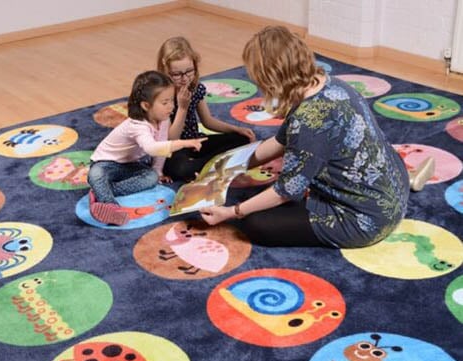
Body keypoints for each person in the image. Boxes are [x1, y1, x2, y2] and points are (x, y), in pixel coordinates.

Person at [200, 26, 410, 248]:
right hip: (394, 190)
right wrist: (224, 168)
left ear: (271, 79)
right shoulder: (330, 84)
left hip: (364, 220)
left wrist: (233, 212)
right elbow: (280, 142)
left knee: (256, 223)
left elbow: (286, 191)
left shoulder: (308, 123)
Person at [88, 70, 206, 226]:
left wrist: (158, 172)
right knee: (96, 173)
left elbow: (162, 144)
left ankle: (101, 191)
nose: (171, 106)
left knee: (151, 177)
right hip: (105, 164)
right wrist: (184, 143)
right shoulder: (137, 125)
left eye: (172, 100)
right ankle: (110, 205)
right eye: (165, 103)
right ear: (145, 105)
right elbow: (152, 148)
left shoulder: (163, 119)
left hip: (128, 164)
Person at [156, 36, 256, 181]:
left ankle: (205, 166)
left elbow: (208, 121)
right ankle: (213, 165)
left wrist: (236, 129)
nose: (184, 78)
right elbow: (171, 139)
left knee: (242, 139)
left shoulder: (195, 88)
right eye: (177, 74)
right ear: (165, 71)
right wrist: (182, 108)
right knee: (181, 169)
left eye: (189, 71)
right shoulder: (162, 95)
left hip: (195, 142)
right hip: (173, 150)